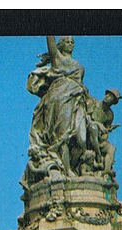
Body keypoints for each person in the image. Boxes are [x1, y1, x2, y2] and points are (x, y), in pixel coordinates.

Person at [26, 35, 89, 176]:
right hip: (60, 100)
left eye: (72, 42)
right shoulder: (57, 59)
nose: (70, 44)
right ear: (61, 45)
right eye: (67, 41)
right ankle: (66, 170)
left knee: (82, 139)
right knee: (62, 138)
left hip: (77, 99)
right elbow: (50, 41)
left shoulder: (78, 64)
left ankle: (74, 167)